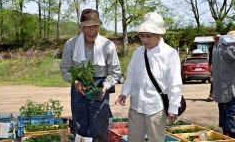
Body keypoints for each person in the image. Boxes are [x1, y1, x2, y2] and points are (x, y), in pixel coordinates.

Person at [115, 12, 183, 141]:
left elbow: (175, 82)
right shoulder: (138, 52)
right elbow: (131, 75)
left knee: (156, 139)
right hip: (136, 106)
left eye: (148, 36)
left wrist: (173, 107)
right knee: (134, 139)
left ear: (159, 35)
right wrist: (124, 93)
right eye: (142, 36)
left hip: (156, 107)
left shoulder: (170, 54)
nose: (144, 39)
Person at [60, 8, 122, 142]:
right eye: (88, 27)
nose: (92, 31)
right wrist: (75, 81)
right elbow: (65, 68)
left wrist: (104, 87)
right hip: (78, 89)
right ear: (81, 27)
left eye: (95, 26)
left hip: (100, 88)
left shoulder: (107, 45)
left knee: (99, 126)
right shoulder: (71, 44)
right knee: (80, 124)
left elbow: (115, 72)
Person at [212, 30, 235, 138]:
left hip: (221, 92)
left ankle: (225, 137)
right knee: (232, 120)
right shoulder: (229, 48)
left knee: (225, 120)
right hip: (230, 90)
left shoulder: (217, 49)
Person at [206, 34, 220, 102]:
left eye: (218, 38)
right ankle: (211, 95)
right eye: (216, 38)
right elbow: (210, 58)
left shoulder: (223, 47)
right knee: (213, 81)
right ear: (214, 39)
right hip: (214, 66)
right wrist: (210, 65)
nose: (217, 39)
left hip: (222, 66)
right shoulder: (211, 47)